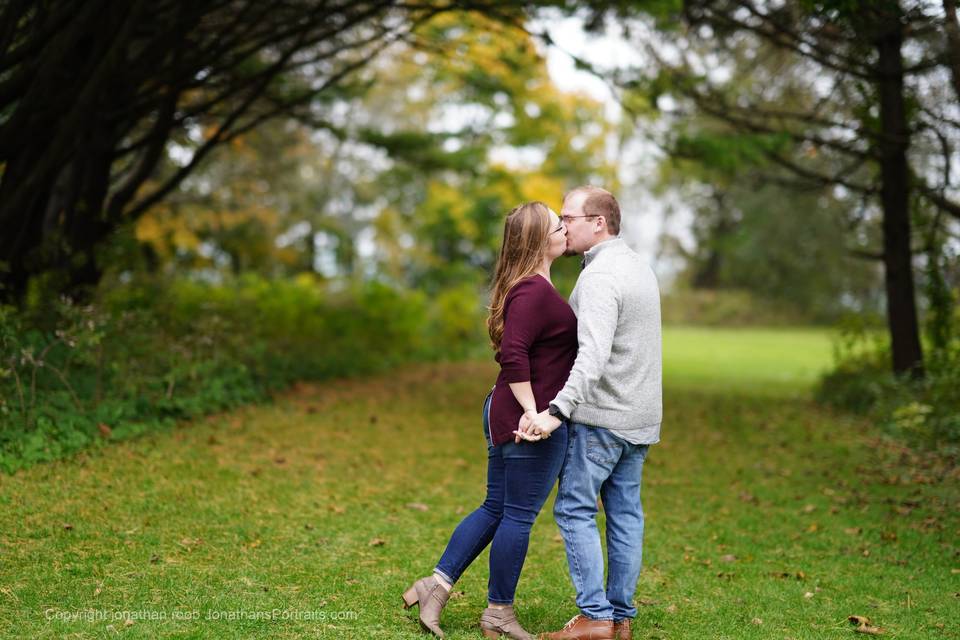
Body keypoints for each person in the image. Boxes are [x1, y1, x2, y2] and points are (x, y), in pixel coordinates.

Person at [401, 201, 578, 640]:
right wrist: (535, 412)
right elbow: (513, 354)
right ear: (541, 239)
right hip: (524, 417)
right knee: (516, 515)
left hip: (508, 408)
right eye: (559, 225)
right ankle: (499, 612)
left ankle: (435, 586)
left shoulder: (530, 286)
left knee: (497, 507)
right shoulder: (532, 291)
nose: (565, 230)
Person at [518, 186, 662, 640]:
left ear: (598, 222)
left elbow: (593, 355)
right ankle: (620, 619)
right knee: (625, 515)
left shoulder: (600, 278)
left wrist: (557, 411)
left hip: (602, 419)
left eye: (568, 217)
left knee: (575, 509)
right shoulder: (638, 266)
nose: (562, 226)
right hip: (640, 418)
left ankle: (594, 616)